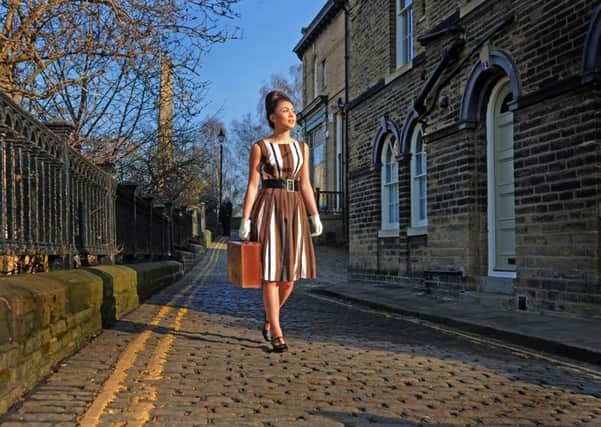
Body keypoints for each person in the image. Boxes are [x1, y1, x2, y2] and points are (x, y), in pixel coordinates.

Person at [239, 90, 323, 353]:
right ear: (272, 117)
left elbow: (306, 184)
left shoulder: (302, 148)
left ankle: (268, 318)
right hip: (268, 206)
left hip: (295, 207)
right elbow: (253, 185)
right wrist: (245, 218)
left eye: (293, 110)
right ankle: (277, 331)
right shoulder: (260, 147)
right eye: (285, 110)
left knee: (290, 278)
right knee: (271, 274)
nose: (291, 114)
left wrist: (314, 214)